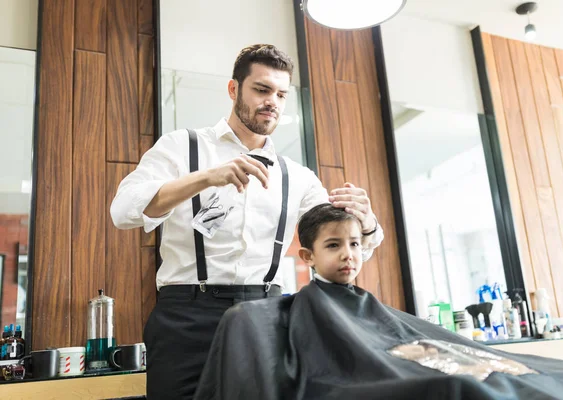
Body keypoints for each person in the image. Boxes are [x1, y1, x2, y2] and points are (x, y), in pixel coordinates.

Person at [110, 44, 384, 399]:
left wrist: (365, 223)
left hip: (265, 316)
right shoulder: (182, 147)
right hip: (186, 318)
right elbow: (122, 212)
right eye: (262, 89)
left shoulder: (297, 177)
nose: (272, 101)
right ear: (234, 89)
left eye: (281, 94)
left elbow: (336, 242)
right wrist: (206, 178)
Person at [297, 203, 365, 287]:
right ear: (308, 256)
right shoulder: (307, 300)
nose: (348, 255)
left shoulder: (368, 299)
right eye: (333, 245)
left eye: (354, 244)